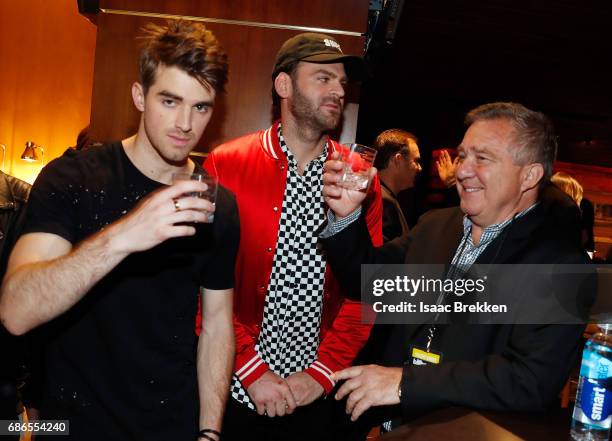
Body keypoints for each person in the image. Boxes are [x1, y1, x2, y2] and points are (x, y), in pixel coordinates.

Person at [0, 20, 238, 441]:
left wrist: (210, 432)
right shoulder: (73, 177)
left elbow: (217, 325)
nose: (185, 123)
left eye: (201, 107)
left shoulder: (218, 203)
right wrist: (126, 234)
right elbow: (16, 312)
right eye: (169, 100)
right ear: (139, 96)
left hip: (170, 425)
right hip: (71, 423)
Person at [321, 102, 589, 437]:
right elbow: (368, 282)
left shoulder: (561, 265)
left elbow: (531, 380)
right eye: (463, 155)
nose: (462, 170)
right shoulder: (435, 226)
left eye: (483, 158)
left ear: (530, 175)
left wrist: (406, 382)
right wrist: (346, 217)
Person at [203, 33, 383, 440]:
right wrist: (249, 370)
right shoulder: (227, 165)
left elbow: (366, 289)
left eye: (342, 82)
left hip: (318, 396)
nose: (338, 90)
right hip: (234, 387)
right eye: (323, 78)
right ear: (283, 86)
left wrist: (320, 373)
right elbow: (204, 282)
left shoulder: (357, 177)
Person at [373, 129, 421, 242]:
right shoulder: (384, 201)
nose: (419, 168)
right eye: (416, 161)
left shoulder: (381, 194)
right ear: (398, 160)